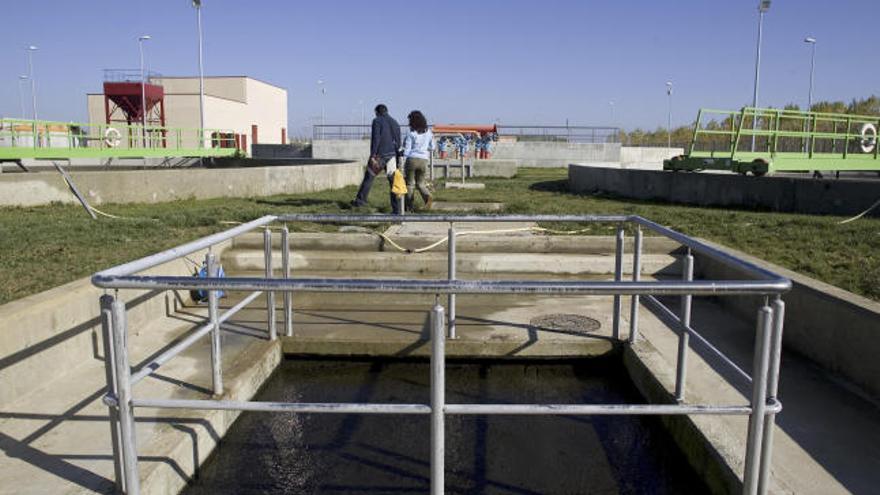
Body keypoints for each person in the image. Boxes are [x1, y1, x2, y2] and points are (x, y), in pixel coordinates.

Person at [351, 104, 402, 213]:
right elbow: (398, 141)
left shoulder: (377, 121)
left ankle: (360, 201)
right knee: (393, 182)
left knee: (369, 177)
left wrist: (373, 155)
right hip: (392, 155)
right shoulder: (395, 122)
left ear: (377, 112)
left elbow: (376, 139)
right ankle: (397, 208)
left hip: (380, 155)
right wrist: (397, 155)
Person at [402, 110, 434, 211]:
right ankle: (427, 196)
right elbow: (432, 147)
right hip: (424, 160)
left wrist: (403, 160)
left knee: (410, 184)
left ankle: (409, 206)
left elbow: (407, 150)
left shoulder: (411, 133)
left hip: (412, 159)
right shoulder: (429, 132)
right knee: (421, 184)